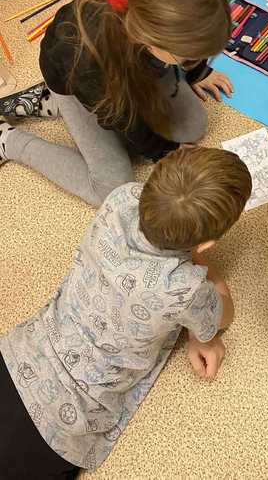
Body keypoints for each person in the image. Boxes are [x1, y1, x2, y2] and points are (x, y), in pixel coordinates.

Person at [0, 145, 252, 479]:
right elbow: (224, 313)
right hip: (66, 424)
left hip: (19, 353)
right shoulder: (185, 287)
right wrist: (203, 307)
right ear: (207, 244)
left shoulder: (121, 198)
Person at [0, 0, 233, 205]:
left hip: (132, 66)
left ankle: (63, 103)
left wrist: (197, 71)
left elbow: (193, 25)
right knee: (112, 189)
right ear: (152, 39)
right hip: (81, 80)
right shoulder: (87, 58)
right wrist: (161, 151)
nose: (195, 61)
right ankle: (9, 140)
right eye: (189, 58)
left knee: (193, 126)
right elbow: (123, 118)